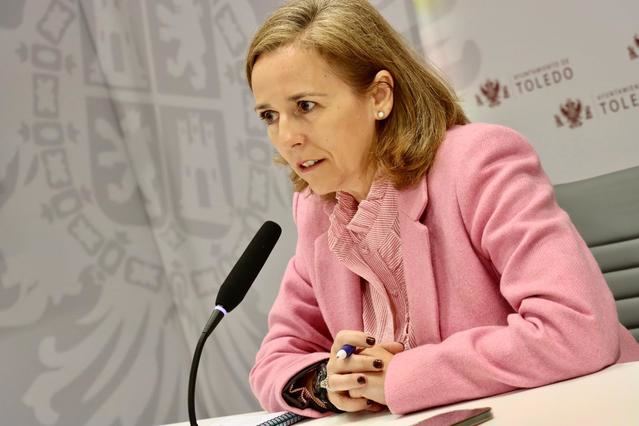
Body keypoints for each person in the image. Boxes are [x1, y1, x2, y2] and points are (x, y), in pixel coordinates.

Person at [245, 0, 639, 418]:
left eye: (305, 106)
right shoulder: (319, 210)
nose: (286, 137)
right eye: (270, 115)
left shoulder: (478, 163)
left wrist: (401, 377)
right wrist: (330, 381)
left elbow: (577, 329)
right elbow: (275, 360)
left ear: (379, 96)